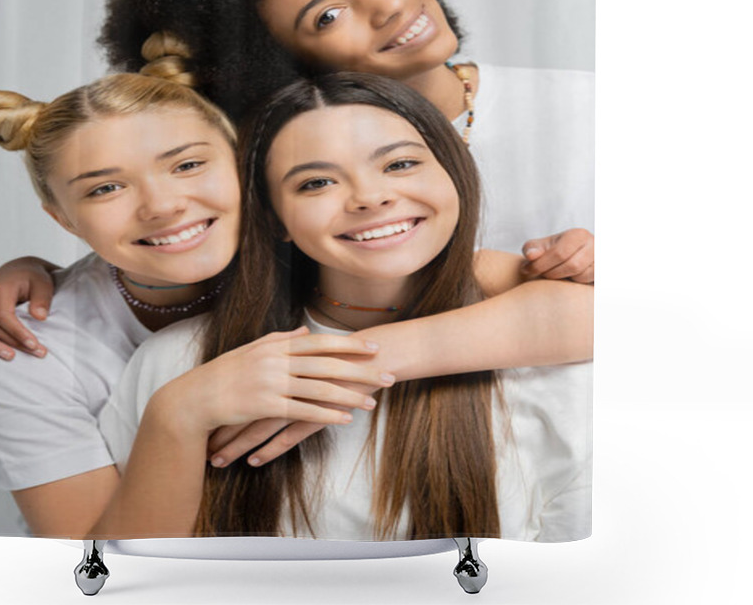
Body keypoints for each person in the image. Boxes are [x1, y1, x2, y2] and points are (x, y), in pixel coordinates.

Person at [0, 0, 593, 359]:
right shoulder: (288, 173)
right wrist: (38, 275)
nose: (389, 6)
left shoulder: (590, 107)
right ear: (277, 65)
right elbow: (175, 240)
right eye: (327, 16)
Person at [94, 73, 592, 542]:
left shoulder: (551, 363)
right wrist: (176, 414)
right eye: (315, 183)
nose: (371, 197)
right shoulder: (182, 362)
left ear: (453, 172)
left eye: (400, 163)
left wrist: (357, 362)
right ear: (275, 219)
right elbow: (120, 579)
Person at [0, 68, 388, 537]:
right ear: (64, 220)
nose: (161, 206)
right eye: (105, 188)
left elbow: (474, 289)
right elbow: (92, 571)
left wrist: (390, 352)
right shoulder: (22, 349)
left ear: (243, 163)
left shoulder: (328, 247)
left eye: (187, 165)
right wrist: (180, 412)